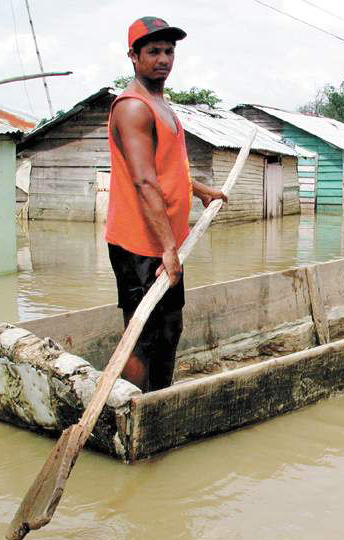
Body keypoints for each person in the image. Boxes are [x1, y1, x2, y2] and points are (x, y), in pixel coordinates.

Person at [106, 17, 227, 392]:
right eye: (154, 51)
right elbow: (144, 181)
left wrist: (200, 189)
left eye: (169, 51)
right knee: (140, 333)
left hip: (166, 243)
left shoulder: (162, 104)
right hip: (140, 245)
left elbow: (166, 171)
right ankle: (136, 408)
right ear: (133, 56)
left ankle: (159, 399)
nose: (163, 59)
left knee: (171, 326)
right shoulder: (133, 107)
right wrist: (167, 249)